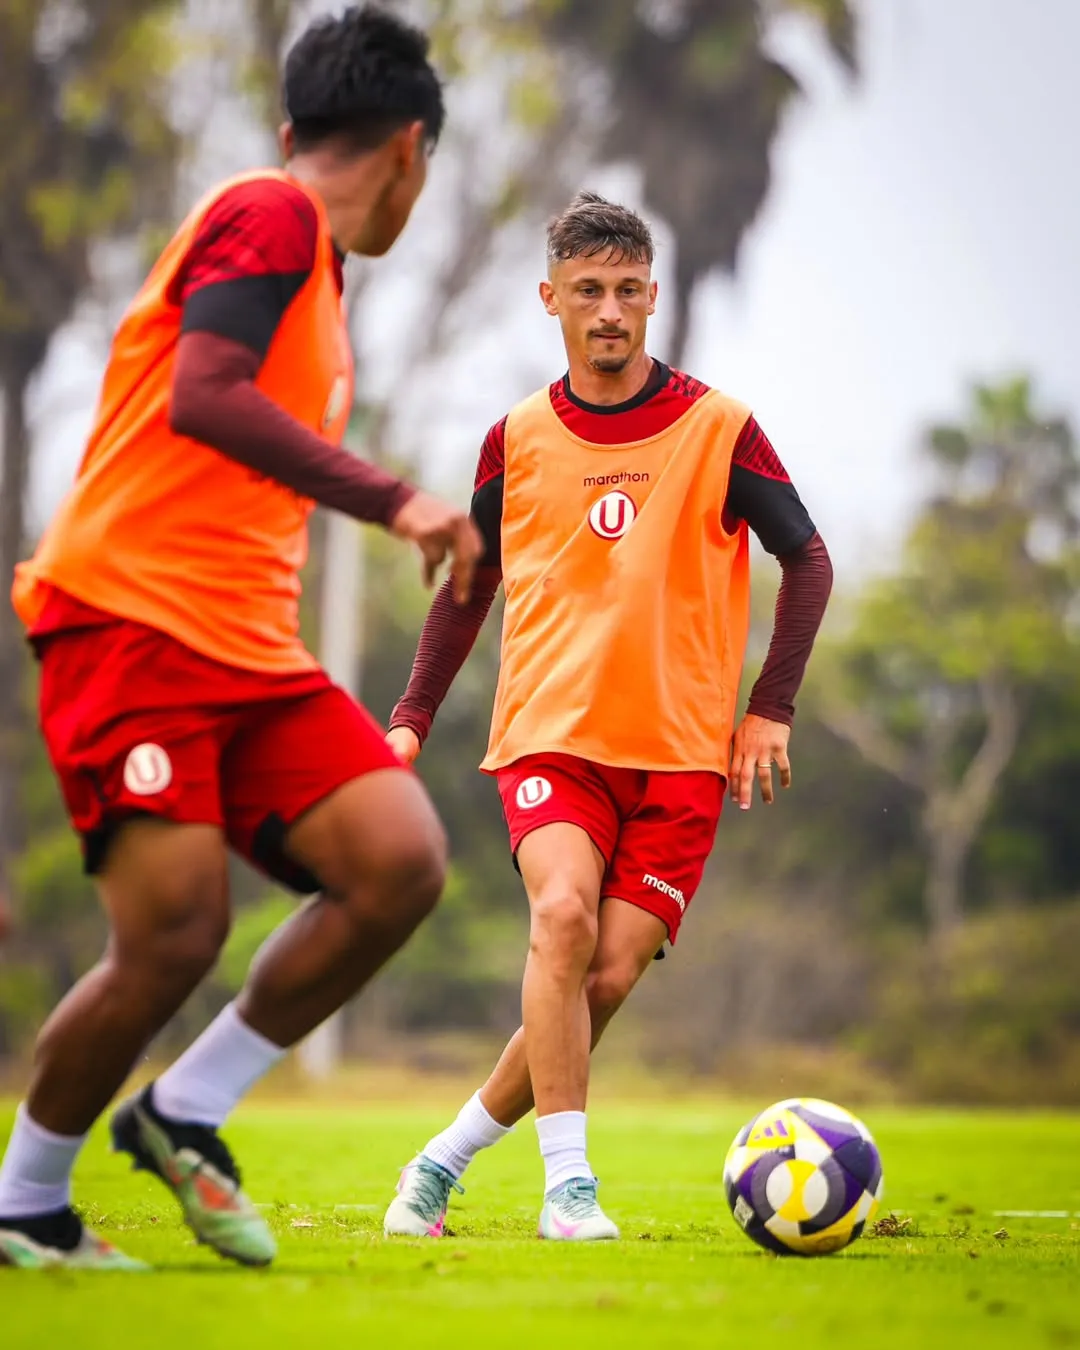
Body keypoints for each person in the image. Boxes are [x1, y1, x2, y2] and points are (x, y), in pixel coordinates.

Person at [0, 5, 481, 1272]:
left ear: (296, 121)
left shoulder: (310, 267)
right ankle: (26, 1204)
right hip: (130, 623)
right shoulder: (272, 212)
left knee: (396, 859)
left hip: (246, 654)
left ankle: (185, 1112)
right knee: (172, 932)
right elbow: (201, 395)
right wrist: (396, 497)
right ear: (411, 150)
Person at [381, 192, 833, 1241]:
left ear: (654, 296)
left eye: (629, 290)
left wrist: (771, 709)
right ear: (552, 300)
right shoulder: (516, 439)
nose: (611, 312)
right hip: (551, 735)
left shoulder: (721, 426)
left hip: (680, 756)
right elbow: (468, 587)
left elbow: (805, 559)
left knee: (609, 971)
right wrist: (410, 716)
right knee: (564, 921)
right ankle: (568, 1193)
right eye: (589, 292)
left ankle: (441, 1162)